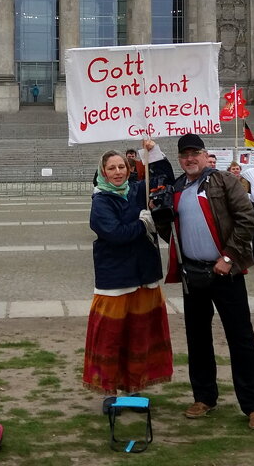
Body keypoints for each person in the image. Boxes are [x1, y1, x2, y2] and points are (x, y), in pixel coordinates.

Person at [154, 133, 254, 431]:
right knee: (198, 339)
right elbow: (170, 229)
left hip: (224, 273)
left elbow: (247, 219)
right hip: (193, 273)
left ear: (205, 155)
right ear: (180, 159)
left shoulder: (224, 181)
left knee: (240, 338)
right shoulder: (176, 186)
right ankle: (204, 397)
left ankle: (253, 405)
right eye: (184, 155)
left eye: (195, 153)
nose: (190, 159)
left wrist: (228, 257)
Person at [82, 150, 174, 395]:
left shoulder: (137, 190)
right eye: (111, 168)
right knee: (111, 339)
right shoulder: (101, 200)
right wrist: (142, 224)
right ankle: (110, 389)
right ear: (103, 172)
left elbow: (165, 178)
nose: (118, 172)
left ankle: (135, 385)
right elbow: (115, 234)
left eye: (122, 166)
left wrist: (153, 151)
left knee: (139, 336)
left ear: (130, 169)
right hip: (116, 278)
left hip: (144, 275)